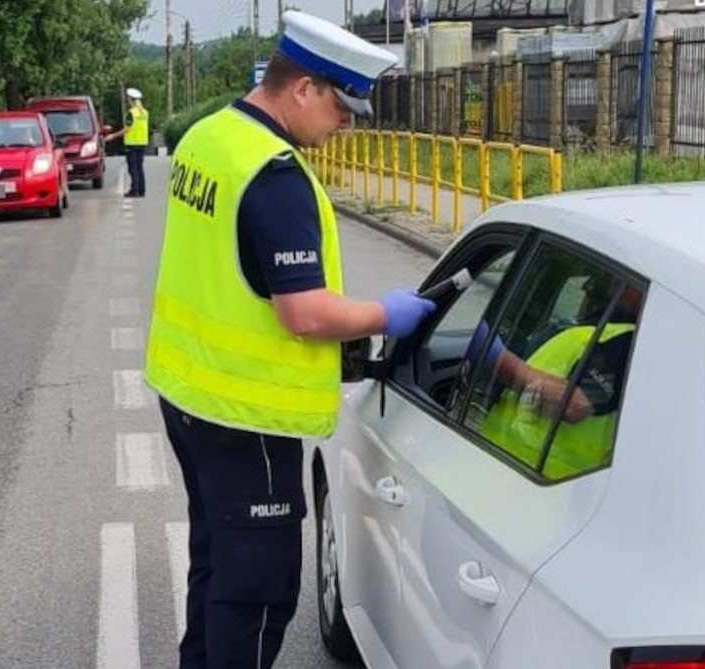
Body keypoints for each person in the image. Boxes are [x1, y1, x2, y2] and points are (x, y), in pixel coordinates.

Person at [143, 10, 437, 669]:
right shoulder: (275, 176)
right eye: (342, 108)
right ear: (303, 88)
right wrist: (385, 315)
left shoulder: (207, 135)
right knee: (258, 592)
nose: (345, 127)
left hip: (187, 394)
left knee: (215, 563)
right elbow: (303, 312)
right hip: (246, 419)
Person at [468, 281, 641, 478]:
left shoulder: (624, 344)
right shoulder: (598, 326)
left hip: (540, 479)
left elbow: (574, 404)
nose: (587, 287)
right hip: (503, 463)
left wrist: (493, 356)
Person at [106, 87, 149, 197]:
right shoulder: (144, 113)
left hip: (132, 144)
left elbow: (127, 129)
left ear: (131, 100)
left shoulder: (131, 113)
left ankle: (134, 190)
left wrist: (113, 136)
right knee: (140, 167)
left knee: (132, 168)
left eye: (128, 99)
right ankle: (141, 190)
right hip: (142, 143)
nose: (127, 101)